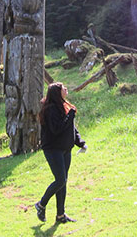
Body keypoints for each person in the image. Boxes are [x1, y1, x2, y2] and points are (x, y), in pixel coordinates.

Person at [35, 82, 87, 224]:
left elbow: (71, 129)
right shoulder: (51, 109)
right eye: (63, 88)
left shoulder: (63, 106)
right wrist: (70, 115)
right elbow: (56, 129)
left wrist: (80, 142)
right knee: (60, 180)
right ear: (58, 93)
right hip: (53, 149)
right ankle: (41, 204)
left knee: (63, 183)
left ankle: (60, 215)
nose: (66, 88)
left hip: (65, 149)